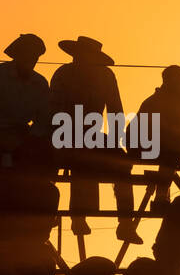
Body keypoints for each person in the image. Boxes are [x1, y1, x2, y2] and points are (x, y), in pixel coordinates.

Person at [50, 36, 138, 244]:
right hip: (63, 133)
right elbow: (53, 109)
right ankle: (72, 216)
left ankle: (125, 224)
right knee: (77, 160)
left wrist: (115, 144)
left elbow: (115, 111)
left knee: (122, 165)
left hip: (91, 135)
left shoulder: (106, 76)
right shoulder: (63, 74)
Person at [0, 33, 53, 173]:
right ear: (17, 56)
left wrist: (31, 138)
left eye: (34, 57)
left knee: (45, 155)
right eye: (27, 56)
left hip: (25, 137)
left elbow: (43, 119)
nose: (31, 60)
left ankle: (41, 188)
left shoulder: (40, 83)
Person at [135, 65, 180, 204]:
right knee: (173, 150)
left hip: (166, 146)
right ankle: (162, 195)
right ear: (167, 82)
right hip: (142, 145)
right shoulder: (154, 102)